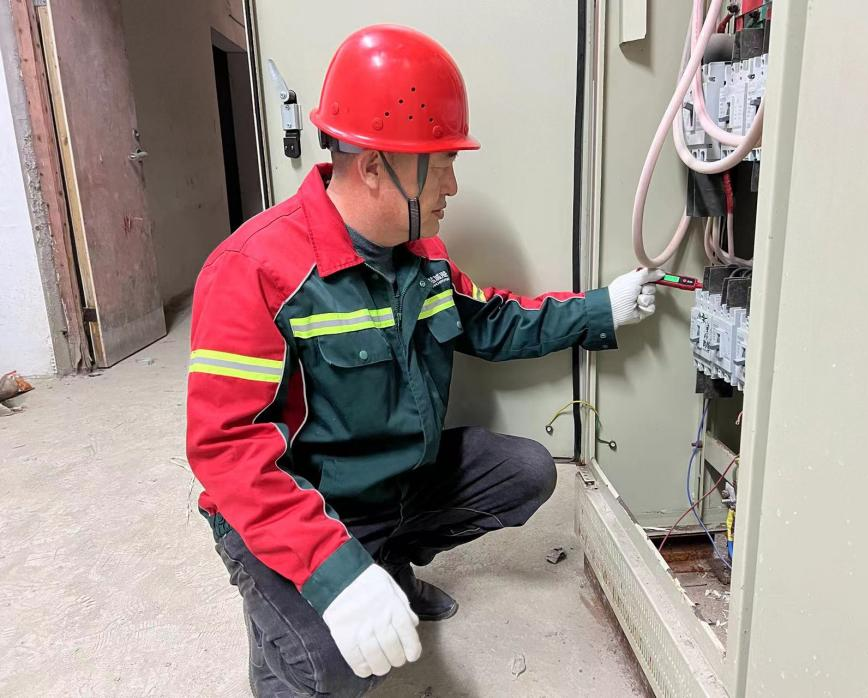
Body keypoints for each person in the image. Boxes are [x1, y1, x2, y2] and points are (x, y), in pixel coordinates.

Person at [186, 24, 663, 697]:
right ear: (375, 167)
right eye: (439, 164)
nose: (453, 185)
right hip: (300, 503)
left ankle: (385, 563)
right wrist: (332, 571)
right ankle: (292, 627)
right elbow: (228, 450)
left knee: (525, 472)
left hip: (393, 486)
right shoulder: (253, 270)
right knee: (331, 666)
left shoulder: (423, 259)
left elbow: (493, 322)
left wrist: (601, 309)